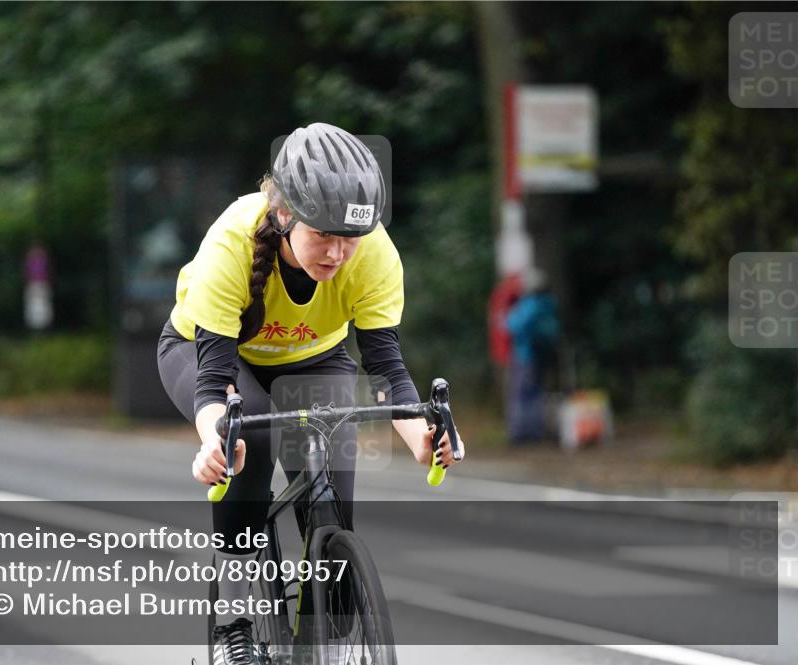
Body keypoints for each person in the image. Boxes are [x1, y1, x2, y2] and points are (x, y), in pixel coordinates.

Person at [156, 122, 463, 665]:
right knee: (247, 438)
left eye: (351, 238)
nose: (339, 252)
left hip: (315, 359)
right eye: (324, 235)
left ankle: (329, 631)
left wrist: (423, 436)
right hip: (209, 355)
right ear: (284, 216)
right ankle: (234, 627)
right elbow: (212, 381)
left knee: (333, 499)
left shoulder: (372, 255)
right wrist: (213, 442)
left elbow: (386, 366)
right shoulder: (231, 241)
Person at [505, 267, 559, 443]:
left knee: (522, 394)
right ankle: (537, 430)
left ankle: (522, 433)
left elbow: (513, 324)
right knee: (536, 392)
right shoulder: (549, 303)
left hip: (525, 354)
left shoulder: (531, 304)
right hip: (541, 354)